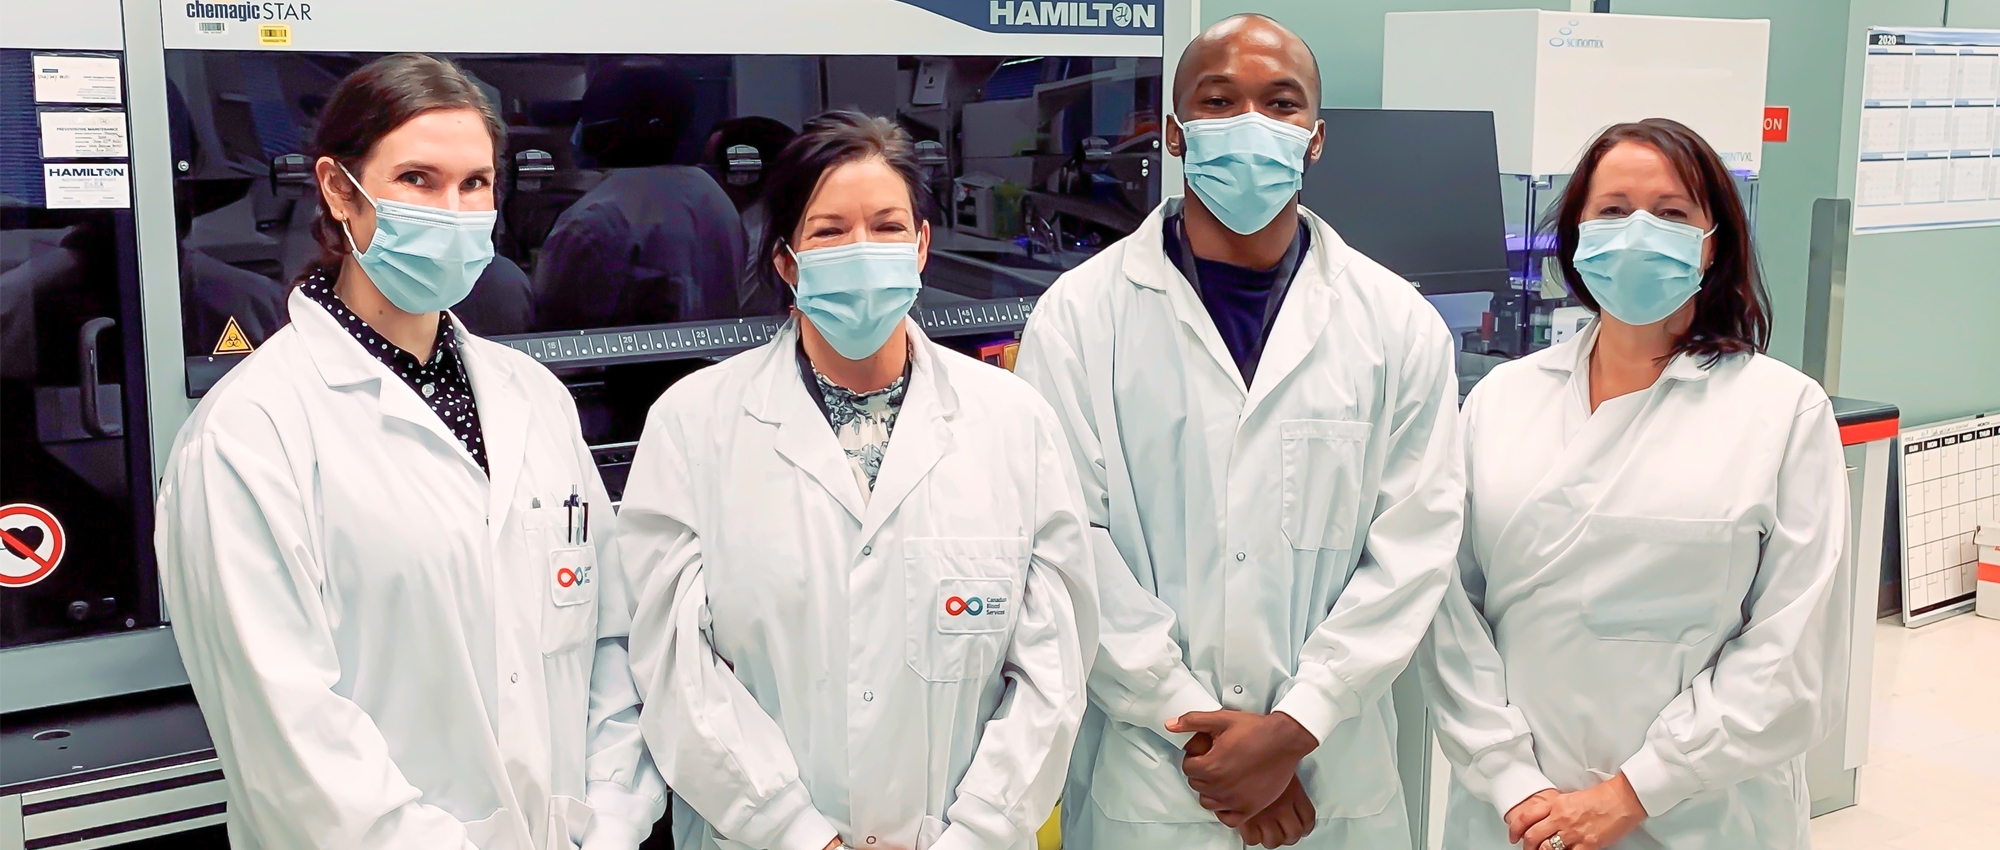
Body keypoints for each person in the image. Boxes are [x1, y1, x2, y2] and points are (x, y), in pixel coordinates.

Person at [154, 53, 660, 849]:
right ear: (337, 190)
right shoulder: (248, 434)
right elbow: (292, 735)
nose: (453, 211)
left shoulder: (532, 398)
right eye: (418, 180)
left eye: (475, 184)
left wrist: (613, 821)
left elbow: (610, 645)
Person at [586, 110, 1098, 850]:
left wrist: (978, 833)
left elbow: (1054, 665)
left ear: (922, 246)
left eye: (888, 227)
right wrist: (798, 835)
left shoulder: (1013, 421)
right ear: (788, 260)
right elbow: (674, 671)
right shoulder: (694, 425)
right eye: (829, 231)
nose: (863, 250)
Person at [1015, 14, 1464, 850]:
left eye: (1281, 104)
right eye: (1219, 101)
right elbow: (1070, 545)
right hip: (1156, 776)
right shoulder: (1079, 319)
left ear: (1316, 139)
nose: (1251, 124)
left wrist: (1296, 726)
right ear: (1178, 135)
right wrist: (1193, 727)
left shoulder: (1397, 326)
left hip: (1330, 777)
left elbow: (1413, 549)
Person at [1418, 119, 1848, 850]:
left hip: (1703, 810)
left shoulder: (1783, 410)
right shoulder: (1502, 399)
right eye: (1613, 210)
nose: (1640, 231)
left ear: (1714, 242)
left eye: (1673, 213)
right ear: (1578, 237)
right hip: (1517, 812)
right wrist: (1513, 779)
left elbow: (1789, 649)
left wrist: (1634, 790)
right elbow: (1448, 610)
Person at [533, 62, 746, 328]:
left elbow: (556, 335)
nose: (581, 127)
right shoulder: (713, 195)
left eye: (590, 114)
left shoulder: (593, 221)